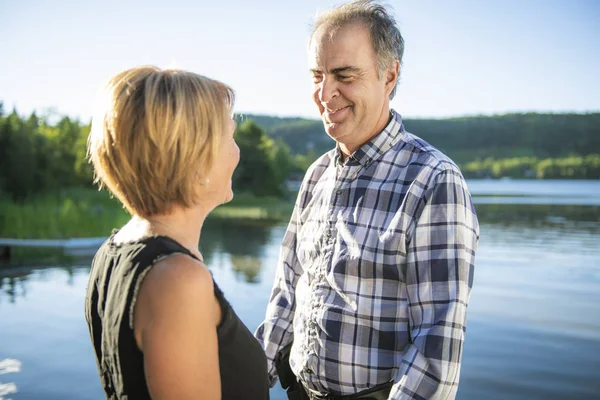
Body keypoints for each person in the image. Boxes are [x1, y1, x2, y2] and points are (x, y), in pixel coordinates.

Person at [255, 1, 479, 399]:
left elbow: (437, 344)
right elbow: (286, 293)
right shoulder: (316, 175)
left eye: (344, 75)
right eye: (317, 75)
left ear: (389, 76)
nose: (325, 93)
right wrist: (248, 380)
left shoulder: (433, 180)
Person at [84, 66, 270, 400]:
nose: (237, 152)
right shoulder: (179, 280)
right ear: (195, 159)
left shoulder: (112, 251)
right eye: (230, 137)